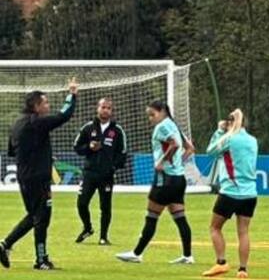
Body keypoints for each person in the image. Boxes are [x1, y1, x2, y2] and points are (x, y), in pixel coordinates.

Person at [0, 79, 78, 270]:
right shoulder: (37, 122)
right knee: (42, 217)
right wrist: (72, 94)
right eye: (45, 103)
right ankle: (41, 260)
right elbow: (63, 115)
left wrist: (38, 154)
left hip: (24, 176)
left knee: (35, 215)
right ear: (36, 106)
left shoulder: (16, 124)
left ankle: (5, 245)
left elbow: (12, 151)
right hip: (38, 177)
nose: (48, 106)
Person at [116, 101, 195, 265]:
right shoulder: (174, 125)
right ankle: (188, 255)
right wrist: (178, 163)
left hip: (165, 179)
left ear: (163, 111)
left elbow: (174, 144)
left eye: (153, 114)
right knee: (180, 217)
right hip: (178, 179)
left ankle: (136, 253)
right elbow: (190, 148)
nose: (150, 119)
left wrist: (162, 162)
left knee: (152, 216)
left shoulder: (162, 126)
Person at [202, 109, 259, 279]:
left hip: (230, 191)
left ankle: (221, 262)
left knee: (215, 227)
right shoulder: (253, 140)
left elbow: (211, 150)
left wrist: (220, 131)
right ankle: (243, 269)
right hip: (250, 193)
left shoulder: (229, 139)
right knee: (243, 232)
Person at [73, 96, 126, 245]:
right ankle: (87, 228)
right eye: (103, 107)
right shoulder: (88, 128)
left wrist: (113, 167)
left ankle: (103, 237)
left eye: (109, 108)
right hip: (89, 173)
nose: (105, 110)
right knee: (82, 203)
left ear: (112, 111)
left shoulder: (117, 131)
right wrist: (89, 147)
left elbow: (122, 153)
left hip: (106, 175)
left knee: (105, 206)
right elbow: (77, 147)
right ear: (97, 108)